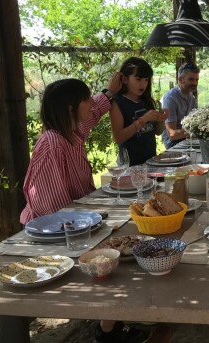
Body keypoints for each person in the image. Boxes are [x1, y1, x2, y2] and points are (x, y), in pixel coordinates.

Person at [19, 74, 151, 343]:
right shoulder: (52, 143)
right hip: (55, 237)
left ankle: (109, 323)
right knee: (123, 254)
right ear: (71, 108)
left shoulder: (70, 133)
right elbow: (52, 214)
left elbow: (91, 116)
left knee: (129, 240)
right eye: (85, 99)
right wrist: (93, 229)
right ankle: (107, 328)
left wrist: (108, 93)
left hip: (78, 224)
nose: (92, 103)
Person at [110, 57, 167, 166]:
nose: (143, 84)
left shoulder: (146, 101)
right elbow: (118, 138)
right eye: (138, 79)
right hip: (130, 166)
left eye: (146, 80)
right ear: (125, 79)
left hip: (150, 162)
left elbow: (157, 132)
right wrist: (143, 120)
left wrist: (161, 119)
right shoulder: (117, 103)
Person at [161, 62, 200, 148]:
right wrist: (199, 131)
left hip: (188, 140)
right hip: (173, 144)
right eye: (191, 79)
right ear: (180, 80)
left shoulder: (191, 98)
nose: (195, 83)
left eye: (196, 80)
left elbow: (196, 123)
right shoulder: (170, 98)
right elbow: (172, 134)